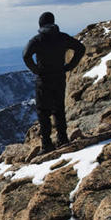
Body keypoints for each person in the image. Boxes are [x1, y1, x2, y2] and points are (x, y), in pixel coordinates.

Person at [23, 11, 85, 153]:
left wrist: (36, 70)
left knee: (43, 112)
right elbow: (81, 48)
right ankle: (63, 139)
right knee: (59, 109)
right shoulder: (62, 37)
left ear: (40, 24)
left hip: (44, 79)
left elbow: (26, 55)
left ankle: (47, 144)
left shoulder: (38, 40)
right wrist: (69, 66)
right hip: (59, 77)